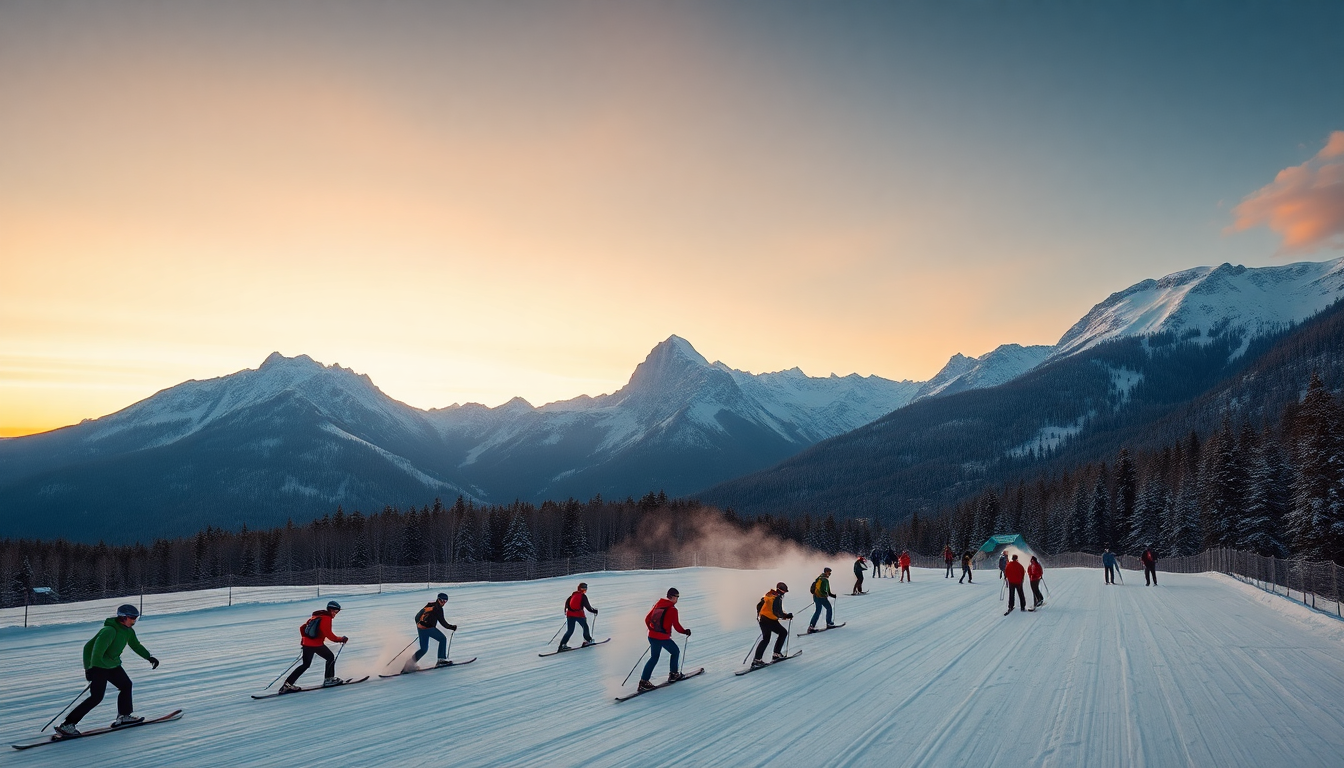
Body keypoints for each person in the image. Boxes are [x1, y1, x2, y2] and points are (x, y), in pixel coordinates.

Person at [56, 604, 160, 737]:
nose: (134, 621)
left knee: (126, 685)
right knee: (96, 697)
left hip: (112, 664)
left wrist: (149, 657)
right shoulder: (109, 630)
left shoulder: (128, 631)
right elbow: (93, 651)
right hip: (98, 665)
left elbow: (136, 645)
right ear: (123, 618)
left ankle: (123, 716)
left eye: (136, 618)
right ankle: (67, 725)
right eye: (132, 618)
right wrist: (90, 669)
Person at [280, 600, 348, 693]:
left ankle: (287, 685)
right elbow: (330, 635)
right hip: (316, 644)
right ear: (330, 610)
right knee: (330, 657)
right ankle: (329, 680)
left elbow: (302, 628)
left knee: (305, 664)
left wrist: (305, 640)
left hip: (307, 644)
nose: (335, 614)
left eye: (337, 612)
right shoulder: (326, 618)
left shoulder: (316, 616)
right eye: (335, 611)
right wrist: (342, 639)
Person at [638, 588, 691, 692]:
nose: (677, 600)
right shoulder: (672, 609)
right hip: (662, 637)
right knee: (675, 652)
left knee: (654, 657)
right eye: (677, 597)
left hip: (652, 636)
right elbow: (676, 626)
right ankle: (673, 674)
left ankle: (643, 681)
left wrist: (653, 630)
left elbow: (647, 619)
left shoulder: (658, 604)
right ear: (672, 597)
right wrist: (685, 632)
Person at [409, 593, 458, 669]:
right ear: (438, 599)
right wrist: (451, 627)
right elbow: (443, 622)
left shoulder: (429, 605)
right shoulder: (438, 609)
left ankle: (409, 664)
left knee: (423, 649)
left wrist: (419, 626)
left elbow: (417, 617)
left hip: (421, 628)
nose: (444, 603)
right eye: (442, 601)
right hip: (429, 628)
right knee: (442, 639)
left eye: (446, 601)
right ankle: (441, 660)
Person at [752, 582, 794, 667]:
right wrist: (786, 616)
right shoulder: (777, 598)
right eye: (784, 591)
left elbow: (759, 606)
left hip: (763, 619)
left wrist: (760, 615)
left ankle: (757, 660)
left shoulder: (769, 595)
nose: (784, 593)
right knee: (782, 633)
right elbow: (777, 612)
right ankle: (776, 654)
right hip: (770, 620)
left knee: (766, 638)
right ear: (781, 590)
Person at [559, 582, 598, 651]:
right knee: (585, 627)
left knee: (570, 630)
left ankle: (562, 645)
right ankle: (587, 641)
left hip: (570, 615)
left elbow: (567, 605)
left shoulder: (573, 595)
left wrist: (568, 613)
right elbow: (588, 607)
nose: (585, 590)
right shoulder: (583, 596)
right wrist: (594, 611)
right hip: (579, 615)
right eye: (584, 588)